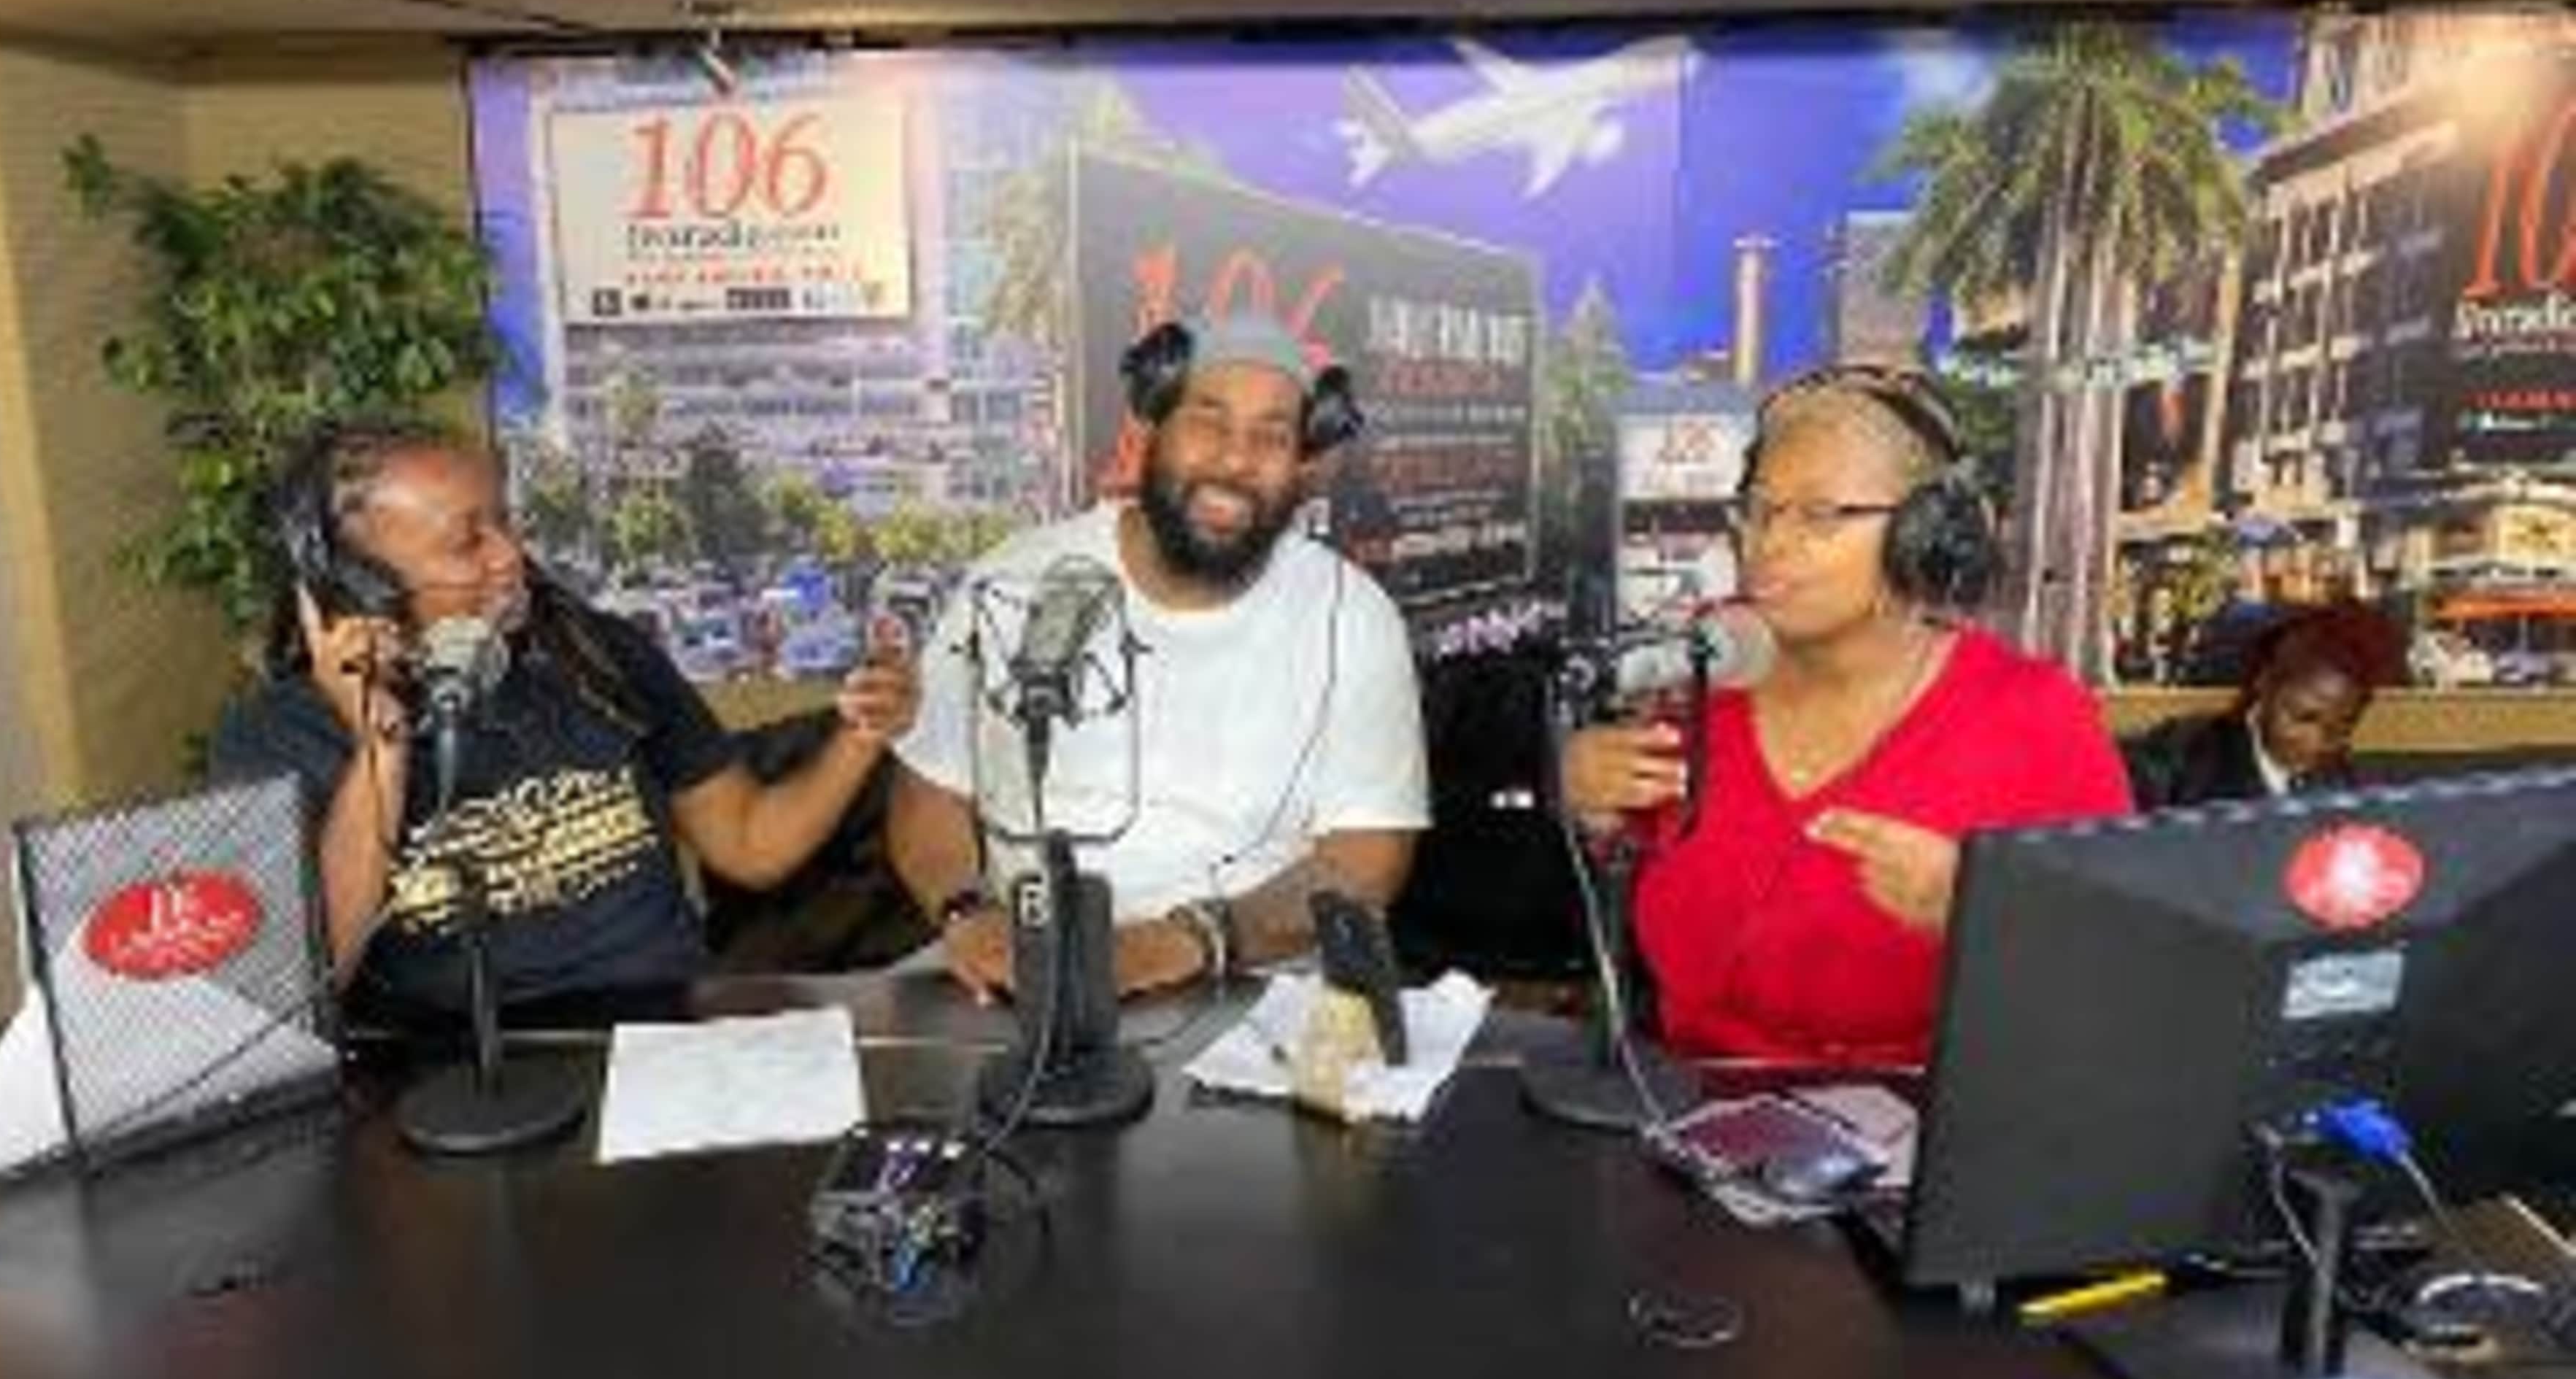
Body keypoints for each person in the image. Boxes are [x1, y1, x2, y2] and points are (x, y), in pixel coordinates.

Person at [209, 423, 919, 1020]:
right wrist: (379, 744)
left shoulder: (599, 656)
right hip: (444, 1087)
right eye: (467, 542)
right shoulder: (275, 736)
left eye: (504, 521)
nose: (508, 555)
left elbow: (749, 843)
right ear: (360, 587)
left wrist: (861, 735)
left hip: (666, 1046)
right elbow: (306, 985)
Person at [1558, 364, 2130, 1072]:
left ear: (1923, 535)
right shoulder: (1702, 671)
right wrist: (1594, 807)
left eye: (1820, 514)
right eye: (1760, 508)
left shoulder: (2036, 718)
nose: (1769, 542)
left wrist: (1989, 919)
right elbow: (1630, 871)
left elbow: (2113, 977)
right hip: (1689, 1112)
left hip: (1930, 1126)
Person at [887, 314, 1428, 1003]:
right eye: (1209, 420)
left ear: (1304, 462)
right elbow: (929, 791)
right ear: (1151, 426)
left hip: (1243, 985)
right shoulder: (1014, 579)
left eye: (1272, 434)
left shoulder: (1353, 619)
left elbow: (1365, 861)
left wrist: (1190, 940)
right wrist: (966, 912)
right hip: (1010, 971)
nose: (1235, 460)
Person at [2124, 601, 2405, 808]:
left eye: (2341, 729)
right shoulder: (2173, 764)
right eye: (2303, 718)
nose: (2317, 742)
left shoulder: (2346, 786)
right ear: (2265, 683)